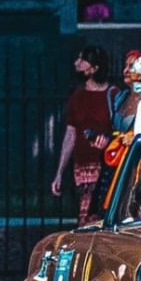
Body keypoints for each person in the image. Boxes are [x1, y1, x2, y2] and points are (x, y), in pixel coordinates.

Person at [50, 43, 118, 225]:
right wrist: (59, 172)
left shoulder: (113, 95)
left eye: (82, 60)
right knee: (84, 212)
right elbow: (70, 134)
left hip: (106, 163)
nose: (76, 64)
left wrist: (108, 140)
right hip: (81, 166)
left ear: (94, 67)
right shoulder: (77, 97)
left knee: (99, 213)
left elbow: (121, 131)